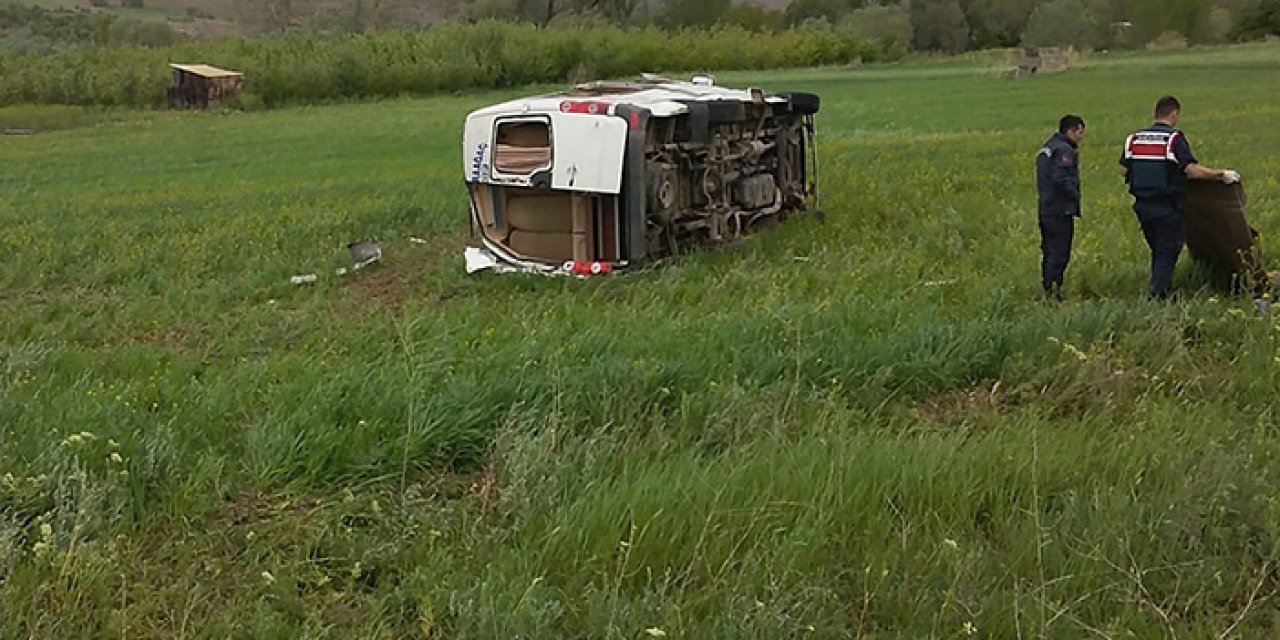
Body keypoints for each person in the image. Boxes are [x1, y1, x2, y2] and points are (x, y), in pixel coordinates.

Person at [1120, 96, 1240, 299]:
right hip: (1165, 205)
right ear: (1174, 114)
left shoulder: (1134, 138)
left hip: (1142, 206)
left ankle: (1161, 287)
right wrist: (1221, 174)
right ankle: (1158, 295)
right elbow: (1191, 171)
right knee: (1168, 249)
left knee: (1158, 249)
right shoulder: (1173, 139)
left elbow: (1123, 170)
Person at [1037, 115, 1086, 300]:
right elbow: (1061, 177)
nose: (1081, 137)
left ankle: (1048, 288)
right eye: (1080, 132)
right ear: (1072, 130)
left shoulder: (1048, 147)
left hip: (1046, 208)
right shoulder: (1064, 150)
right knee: (1059, 253)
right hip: (1060, 210)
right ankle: (1053, 292)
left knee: (1049, 251)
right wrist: (1074, 194)